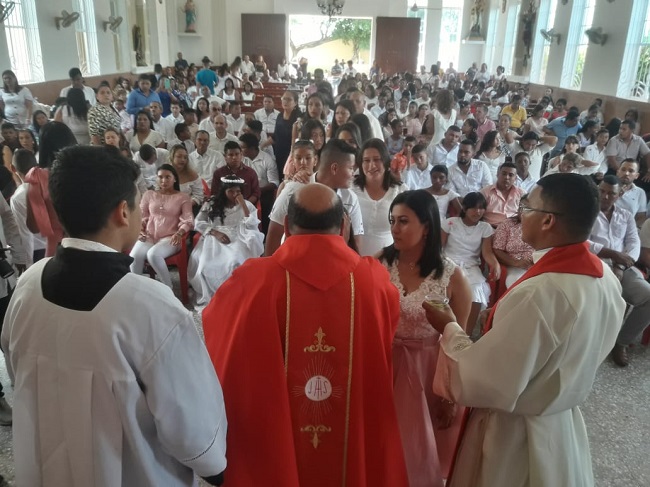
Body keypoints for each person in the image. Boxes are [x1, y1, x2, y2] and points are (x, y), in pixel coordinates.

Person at [3, 146, 226, 485]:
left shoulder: (28, 284)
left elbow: (19, 371)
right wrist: (214, 465)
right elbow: (192, 428)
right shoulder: (150, 306)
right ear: (124, 212)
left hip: (45, 468)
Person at [424, 173, 626, 487]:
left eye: (526, 206)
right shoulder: (606, 279)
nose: (520, 213)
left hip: (516, 436)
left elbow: (484, 379)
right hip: (562, 425)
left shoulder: (540, 293)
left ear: (547, 221)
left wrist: (449, 326)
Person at [203, 183, 408, 486]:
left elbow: (216, 333)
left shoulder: (252, 282)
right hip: (351, 436)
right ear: (343, 227)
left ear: (286, 225)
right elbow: (382, 340)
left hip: (274, 438)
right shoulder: (374, 282)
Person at [379, 190, 471, 484]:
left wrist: (450, 395)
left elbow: (459, 340)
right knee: (384, 444)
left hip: (428, 370)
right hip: (385, 365)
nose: (394, 228)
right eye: (392, 220)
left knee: (418, 448)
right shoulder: (380, 264)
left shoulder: (451, 276)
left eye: (404, 221)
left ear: (427, 226)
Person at [265, 139, 363, 255]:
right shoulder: (294, 190)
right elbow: (274, 235)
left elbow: (356, 243)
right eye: (351, 168)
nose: (353, 174)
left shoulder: (350, 198)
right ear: (334, 168)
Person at [589, 176, 649, 367]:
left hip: (624, 265)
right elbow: (583, 243)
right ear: (597, 190)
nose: (606, 196)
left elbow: (634, 243)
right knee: (606, 296)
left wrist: (620, 265)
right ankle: (591, 343)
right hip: (594, 263)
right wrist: (614, 255)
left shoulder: (626, 215)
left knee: (648, 297)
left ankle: (621, 341)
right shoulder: (586, 212)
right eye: (602, 191)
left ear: (619, 194)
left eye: (611, 193)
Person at [188, 174, 263, 306]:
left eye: (238, 191)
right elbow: (198, 222)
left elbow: (252, 224)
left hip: (238, 235)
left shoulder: (247, 205)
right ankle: (217, 296)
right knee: (205, 266)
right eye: (231, 191)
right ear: (224, 191)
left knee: (234, 262)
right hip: (215, 236)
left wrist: (243, 205)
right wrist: (215, 232)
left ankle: (234, 295)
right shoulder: (212, 203)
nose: (235, 194)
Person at [130, 163, 194, 289]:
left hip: (171, 237)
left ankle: (167, 289)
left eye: (167, 177)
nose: (163, 180)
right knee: (134, 256)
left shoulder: (183, 197)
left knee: (153, 255)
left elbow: (188, 219)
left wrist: (179, 233)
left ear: (174, 179)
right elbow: (141, 215)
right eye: (160, 177)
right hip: (149, 236)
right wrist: (139, 230)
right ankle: (135, 289)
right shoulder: (149, 194)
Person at [25, 122, 78, 256]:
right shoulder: (86, 171)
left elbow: (34, 227)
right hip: (89, 243)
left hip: (56, 248)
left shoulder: (37, 178)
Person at [351, 139, 404, 256]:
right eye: (366, 160)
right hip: (353, 259)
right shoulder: (350, 188)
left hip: (387, 261)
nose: (372, 165)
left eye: (377, 159)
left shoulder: (400, 191)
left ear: (385, 162)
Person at [10, 149, 46, 265]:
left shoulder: (18, 197)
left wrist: (29, 265)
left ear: (12, 168)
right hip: (61, 244)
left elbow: (26, 234)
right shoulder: (51, 184)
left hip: (39, 251)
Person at [492, 194, 535, 288]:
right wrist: (515, 262)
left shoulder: (541, 226)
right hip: (514, 266)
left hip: (536, 265)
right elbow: (497, 249)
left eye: (527, 208)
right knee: (517, 282)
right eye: (521, 207)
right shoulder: (507, 224)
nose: (522, 211)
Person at [211, 141, 260, 205]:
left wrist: (245, 205)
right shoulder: (218, 173)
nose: (234, 157)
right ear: (225, 157)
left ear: (241, 155)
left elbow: (256, 193)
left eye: (237, 154)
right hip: (224, 208)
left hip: (245, 207)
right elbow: (214, 193)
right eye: (231, 155)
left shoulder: (250, 172)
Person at [481, 161, 525, 227]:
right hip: (490, 229)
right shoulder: (485, 192)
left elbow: (526, 214)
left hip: (512, 231)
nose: (507, 177)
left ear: (515, 178)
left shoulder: (521, 194)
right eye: (504, 174)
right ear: (497, 174)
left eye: (511, 175)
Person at [615, 159, 647, 227]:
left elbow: (641, 217)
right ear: (618, 172)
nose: (626, 173)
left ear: (637, 176)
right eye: (623, 170)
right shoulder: (606, 186)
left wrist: (632, 230)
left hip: (627, 230)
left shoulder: (640, 192)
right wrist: (616, 195)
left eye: (631, 171)